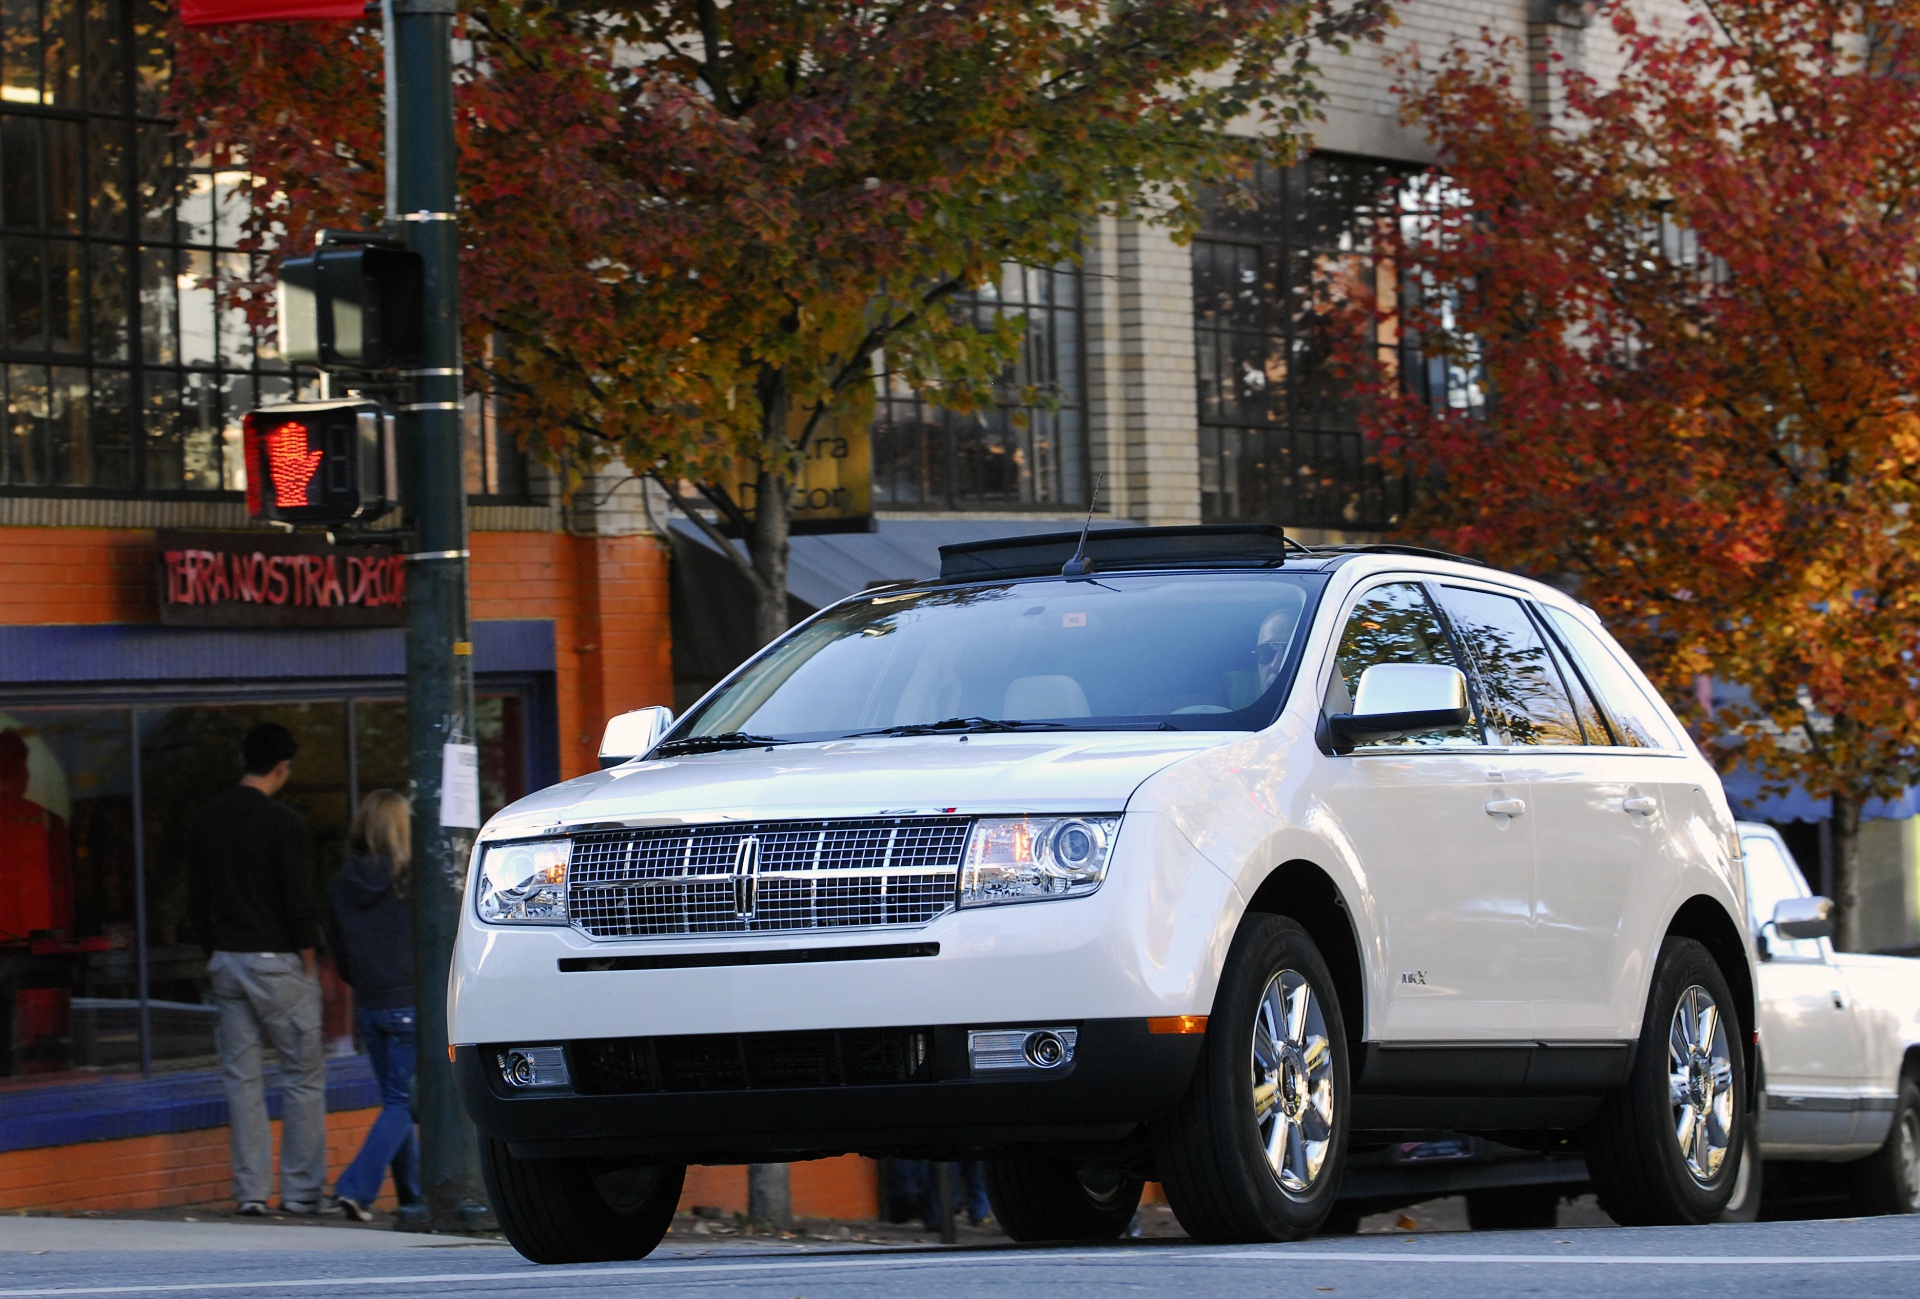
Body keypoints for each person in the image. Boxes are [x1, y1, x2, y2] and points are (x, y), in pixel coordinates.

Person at [187, 721, 329, 1217]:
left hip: (226, 961)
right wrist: (308, 962)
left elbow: (196, 903)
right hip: (276, 963)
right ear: (282, 767)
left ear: (243, 760)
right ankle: (301, 1191)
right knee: (302, 1075)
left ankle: (250, 1192)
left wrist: (212, 950)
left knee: (242, 1080)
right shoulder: (283, 823)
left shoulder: (207, 820)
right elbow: (298, 901)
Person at [327, 789, 422, 1221]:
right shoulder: (412, 881)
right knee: (404, 1104)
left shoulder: (340, 884)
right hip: (408, 1002)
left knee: (394, 1102)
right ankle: (356, 1189)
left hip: (368, 1006)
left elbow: (340, 954)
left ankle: (413, 1197)